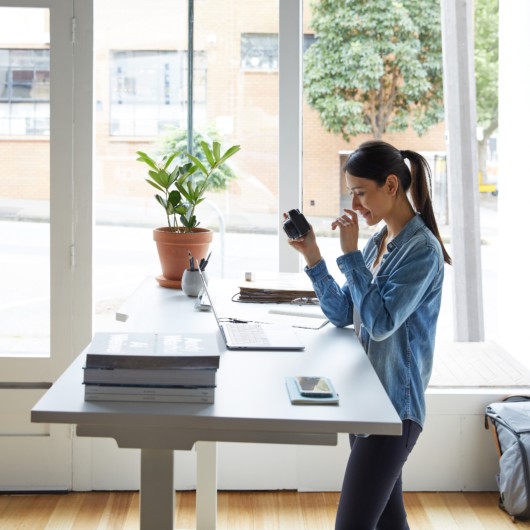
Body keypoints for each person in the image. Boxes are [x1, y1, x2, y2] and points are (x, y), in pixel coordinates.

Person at [285, 140, 451, 530]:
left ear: (391, 185)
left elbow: (380, 322)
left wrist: (351, 255)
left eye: (361, 192)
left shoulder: (421, 251)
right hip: (366, 404)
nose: (356, 204)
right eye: (352, 193)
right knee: (390, 522)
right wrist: (313, 255)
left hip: (394, 411)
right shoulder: (380, 241)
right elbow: (344, 312)